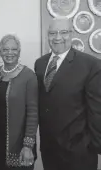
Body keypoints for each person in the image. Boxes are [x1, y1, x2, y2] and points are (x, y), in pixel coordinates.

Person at [34, 17, 101, 170]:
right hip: (49, 150)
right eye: (53, 33)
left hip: (79, 153)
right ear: (47, 36)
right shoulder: (40, 63)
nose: (58, 37)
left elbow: (97, 111)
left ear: (71, 34)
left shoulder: (90, 65)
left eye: (63, 32)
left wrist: (95, 145)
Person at [0, 34, 38, 170]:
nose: (9, 53)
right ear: (0, 52)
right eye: (5, 49)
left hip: (20, 143)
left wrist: (28, 145)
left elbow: (33, 112)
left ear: (19, 52)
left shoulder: (28, 75)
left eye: (14, 49)